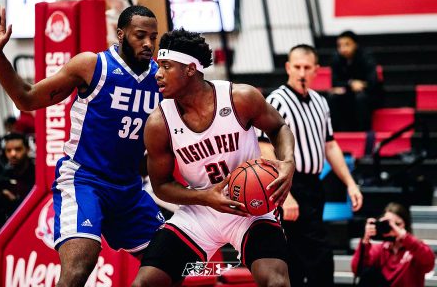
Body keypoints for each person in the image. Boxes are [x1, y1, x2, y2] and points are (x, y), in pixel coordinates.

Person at [0, 3, 164, 286]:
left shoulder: (161, 78)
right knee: (80, 265)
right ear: (120, 34)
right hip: (85, 179)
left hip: (129, 187)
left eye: (153, 37)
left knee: (167, 267)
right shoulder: (93, 65)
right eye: (140, 35)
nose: (148, 43)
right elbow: (27, 98)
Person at [132, 28, 296, 287]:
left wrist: (287, 162)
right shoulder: (159, 123)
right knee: (145, 283)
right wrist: (204, 197)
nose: (158, 74)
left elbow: (279, 128)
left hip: (250, 207)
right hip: (200, 211)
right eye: (157, 66)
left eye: (166, 66)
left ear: (189, 69)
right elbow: (162, 187)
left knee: (276, 281)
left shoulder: (240, 98)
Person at [258, 44, 363, 287]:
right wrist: (287, 194)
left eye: (307, 67)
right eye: (297, 67)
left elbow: (331, 146)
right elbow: (264, 148)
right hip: (292, 185)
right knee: (320, 255)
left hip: (315, 185)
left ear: (317, 70)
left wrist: (350, 184)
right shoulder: (276, 100)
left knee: (295, 256)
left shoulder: (320, 102)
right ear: (288, 68)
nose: (302, 73)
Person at [351, 202, 434, 287]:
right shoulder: (380, 250)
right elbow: (357, 270)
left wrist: (404, 236)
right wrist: (365, 240)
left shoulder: (415, 250)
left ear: (406, 225)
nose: (393, 228)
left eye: (397, 224)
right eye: (389, 225)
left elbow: (429, 263)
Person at [328, 30, 383, 131]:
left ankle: (364, 131)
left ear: (355, 45)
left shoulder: (366, 57)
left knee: (360, 97)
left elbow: (372, 81)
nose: (343, 48)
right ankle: (336, 131)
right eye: (340, 45)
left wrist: (359, 85)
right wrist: (350, 84)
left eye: (347, 44)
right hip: (348, 92)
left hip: (368, 93)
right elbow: (335, 82)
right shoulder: (336, 59)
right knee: (333, 97)